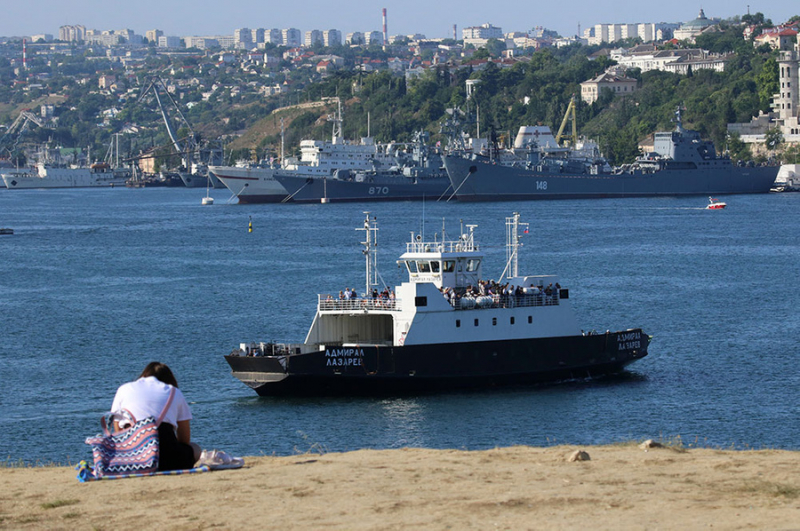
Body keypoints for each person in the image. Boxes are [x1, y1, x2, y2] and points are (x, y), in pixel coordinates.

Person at [111, 362, 201, 471]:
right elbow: (185, 439)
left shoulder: (124, 389)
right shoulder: (174, 392)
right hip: (166, 460)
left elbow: (118, 433)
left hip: (131, 459)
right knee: (196, 449)